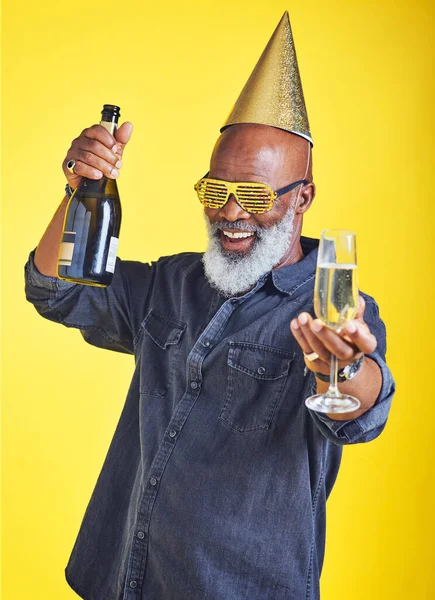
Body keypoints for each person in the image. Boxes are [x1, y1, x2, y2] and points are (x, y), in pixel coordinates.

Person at [24, 12, 395, 600]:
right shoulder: (172, 283)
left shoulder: (336, 301)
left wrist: (345, 370)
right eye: (215, 191)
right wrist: (79, 188)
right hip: (121, 578)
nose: (228, 212)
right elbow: (59, 289)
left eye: (252, 195)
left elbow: (362, 408)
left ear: (304, 197)